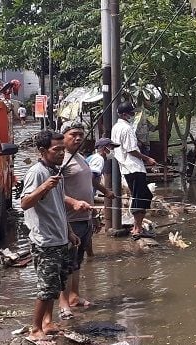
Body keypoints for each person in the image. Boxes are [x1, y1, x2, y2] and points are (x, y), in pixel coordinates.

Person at [20, 130, 80, 345]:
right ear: (43, 151)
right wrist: (45, 186)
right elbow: (25, 203)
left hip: (60, 237)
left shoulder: (56, 172)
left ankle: (47, 322)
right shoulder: (37, 173)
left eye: (63, 149)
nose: (61, 153)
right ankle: (35, 329)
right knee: (46, 287)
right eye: (56, 150)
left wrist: (69, 232)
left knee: (56, 284)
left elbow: (58, 208)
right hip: (44, 240)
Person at [59, 122, 117, 317]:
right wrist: (73, 202)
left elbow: (90, 180)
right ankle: (63, 302)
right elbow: (53, 191)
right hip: (69, 219)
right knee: (66, 263)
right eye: (73, 134)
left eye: (81, 135)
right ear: (63, 137)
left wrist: (105, 191)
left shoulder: (81, 158)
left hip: (84, 217)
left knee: (77, 261)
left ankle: (75, 296)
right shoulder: (61, 160)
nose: (78, 138)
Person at [111, 101, 157, 239]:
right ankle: (137, 229)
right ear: (125, 114)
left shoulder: (116, 127)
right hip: (133, 167)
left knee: (144, 196)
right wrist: (147, 158)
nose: (133, 115)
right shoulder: (126, 128)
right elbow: (131, 150)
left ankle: (138, 226)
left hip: (127, 168)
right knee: (140, 198)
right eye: (131, 113)